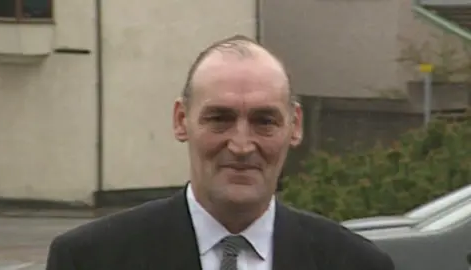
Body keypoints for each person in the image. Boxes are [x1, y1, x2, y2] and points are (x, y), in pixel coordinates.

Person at [45, 35, 394, 270]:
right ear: (182, 121)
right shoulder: (91, 259)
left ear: (295, 126)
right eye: (220, 119)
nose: (241, 145)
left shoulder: (355, 263)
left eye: (264, 121)